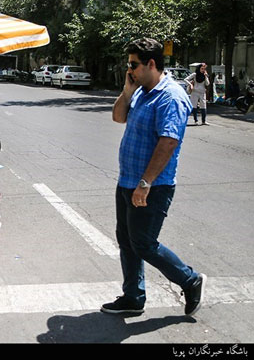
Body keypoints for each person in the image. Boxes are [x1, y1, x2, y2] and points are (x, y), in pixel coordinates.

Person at [106, 38, 206, 317]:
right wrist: (127, 91)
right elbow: (117, 117)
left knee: (144, 243)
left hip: (151, 186)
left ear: (151, 64)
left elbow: (169, 142)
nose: (130, 70)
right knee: (126, 241)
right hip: (128, 181)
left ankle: (190, 279)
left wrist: (145, 182)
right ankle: (133, 296)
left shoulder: (171, 96)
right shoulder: (140, 91)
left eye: (133, 65)